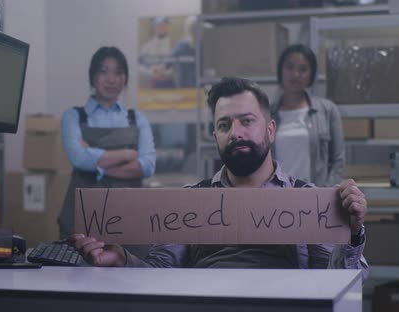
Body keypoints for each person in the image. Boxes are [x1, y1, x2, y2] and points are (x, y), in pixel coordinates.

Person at [69, 77, 368, 281]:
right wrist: (122, 260)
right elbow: (160, 273)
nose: (235, 132)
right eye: (225, 125)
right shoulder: (190, 201)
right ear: (216, 137)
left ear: (271, 130)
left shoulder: (309, 199)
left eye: (247, 121)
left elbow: (338, 281)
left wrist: (352, 234)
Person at [58, 47, 156, 250]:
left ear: (125, 79)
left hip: (130, 219)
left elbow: (147, 165)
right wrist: (128, 155)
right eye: (104, 71)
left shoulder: (137, 119)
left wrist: (97, 164)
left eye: (118, 72)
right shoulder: (73, 116)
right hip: (82, 220)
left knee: (134, 277)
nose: (111, 79)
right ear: (92, 77)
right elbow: (78, 159)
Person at [272, 44, 344, 187]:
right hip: (275, 197)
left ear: (311, 74)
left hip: (315, 198)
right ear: (281, 71)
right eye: (290, 67)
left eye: (303, 69)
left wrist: (325, 194)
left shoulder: (327, 110)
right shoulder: (267, 114)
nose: (295, 74)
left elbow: (338, 160)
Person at [139, 16, 175, 89]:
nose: (161, 28)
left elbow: (178, 66)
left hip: (170, 84)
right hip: (153, 85)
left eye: (164, 25)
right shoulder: (147, 47)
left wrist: (165, 73)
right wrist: (151, 72)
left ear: (167, 26)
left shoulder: (174, 45)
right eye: (158, 25)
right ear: (154, 27)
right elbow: (139, 65)